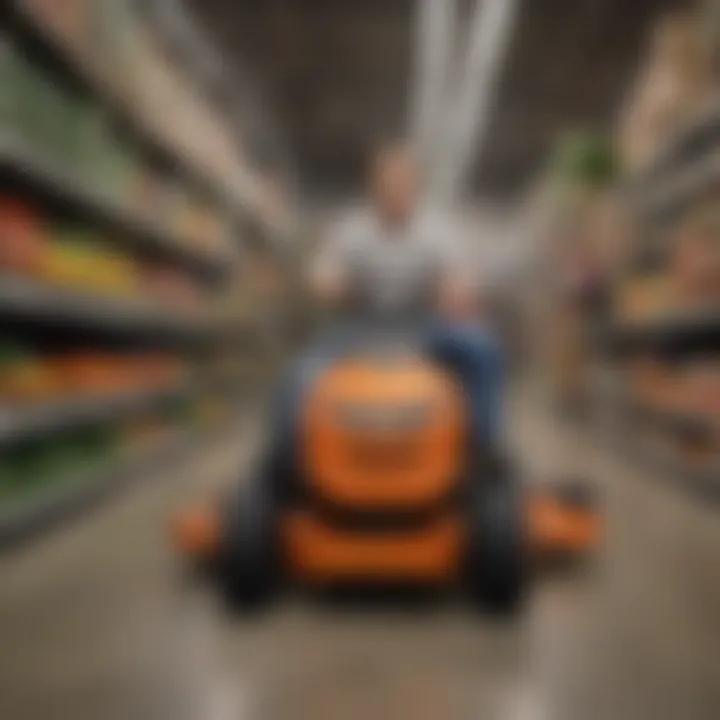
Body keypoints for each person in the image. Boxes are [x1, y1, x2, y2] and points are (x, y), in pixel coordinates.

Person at [268, 141, 505, 477]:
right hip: (358, 326)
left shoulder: (440, 231)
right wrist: (326, 280)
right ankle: (288, 461)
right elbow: (323, 270)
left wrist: (460, 287)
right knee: (299, 372)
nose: (395, 192)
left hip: (424, 326)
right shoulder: (351, 229)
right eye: (387, 184)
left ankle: (481, 450)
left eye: (403, 184)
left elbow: (463, 273)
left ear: (416, 188)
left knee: (481, 347)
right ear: (374, 187)